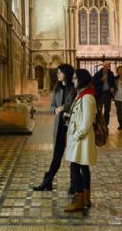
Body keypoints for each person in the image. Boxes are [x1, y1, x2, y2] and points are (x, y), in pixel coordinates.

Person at [33, 64, 77, 192]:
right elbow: (52, 106)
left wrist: (64, 107)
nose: (57, 75)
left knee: (72, 156)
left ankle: (73, 184)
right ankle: (47, 181)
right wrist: (55, 110)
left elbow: (74, 105)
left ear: (66, 74)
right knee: (57, 156)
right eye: (57, 73)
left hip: (71, 127)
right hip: (59, 127)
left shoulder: (73, 89)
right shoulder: (57, 88)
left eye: (59, 73)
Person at [64, 69, 97, 212]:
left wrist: (77, 135)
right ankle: (86, 198)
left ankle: (79, 200)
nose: (73, 81)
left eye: (76, 78)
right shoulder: (82, 94)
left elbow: (88, 120)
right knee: (83, 167)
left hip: (81, 139)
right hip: (79, 137)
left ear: (82, 80)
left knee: (75, 167)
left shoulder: (87, 97)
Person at [93, 61, 116, 126]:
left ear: (108, 66)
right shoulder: (98, 74)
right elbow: (94, 82)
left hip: (108, 94)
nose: (105, 68)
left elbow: (113, 82)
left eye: (107, 66)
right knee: (99, 110)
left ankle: (106, 124)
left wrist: (112, 87)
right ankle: (99, 124)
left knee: (107, 110)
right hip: (100, 94)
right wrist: (100, 80)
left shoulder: (111, 73)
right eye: (104, 66)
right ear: (102, 66)